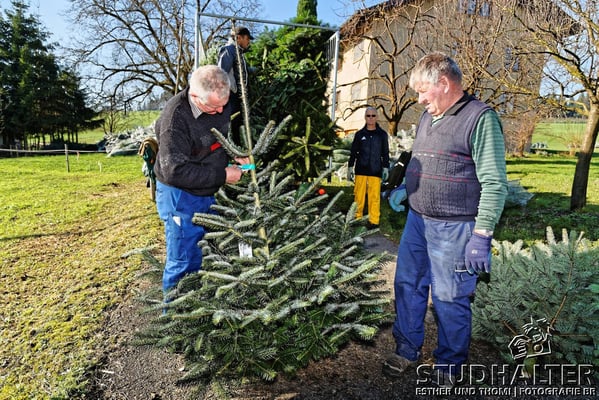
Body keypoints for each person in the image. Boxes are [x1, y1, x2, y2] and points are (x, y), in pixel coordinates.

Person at [382, 52, 508, 387]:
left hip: (456, 227)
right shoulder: (428, 117)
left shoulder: (480, 119)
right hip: (418, 221)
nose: (419, 100)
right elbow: (423, 160)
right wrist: (407, 189)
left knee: (450, 297)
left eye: (423, 91)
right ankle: (407, 349)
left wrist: (482, 235)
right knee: (407, 285)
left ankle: (449, 365)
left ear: (444, 83)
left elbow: (495, 183)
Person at [153, 64, 249, 298]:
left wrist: (233, 153)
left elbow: (216, 138)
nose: (220, 112)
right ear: (195, 96)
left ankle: (202, 301)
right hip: (179, 195)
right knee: (184, 260)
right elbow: (175, 171)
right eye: (214, 107)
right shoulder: (175, 121)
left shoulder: (221, 100)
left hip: (207, 188)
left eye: (224, 105)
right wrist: (223, 175)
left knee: (210, 248)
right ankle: (175, 315)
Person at [347, 106, 390, 228]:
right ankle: (357, 219)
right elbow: (353, 152)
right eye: (368, 116)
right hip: (361, 170)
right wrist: (350, 167)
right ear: (365, 117)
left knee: (374, 197)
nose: (371, 118)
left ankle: (374, 221)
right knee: (358, 196)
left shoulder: (382, 135)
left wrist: (385, 167)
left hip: (375, 170)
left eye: (373, 115)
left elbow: (385, 152)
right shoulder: (359, 134)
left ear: (377, 117)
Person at [217, 26, 254, 145]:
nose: (248, 42)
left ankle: (238, 149)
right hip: (231, 96)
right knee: (232, 124)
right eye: (247, 38)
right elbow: (221, 73)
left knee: (238, 125)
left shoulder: (238, 52)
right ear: (238, 38)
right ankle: (231, 149)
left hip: (238, 96)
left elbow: (241, 70)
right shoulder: (228, 50)